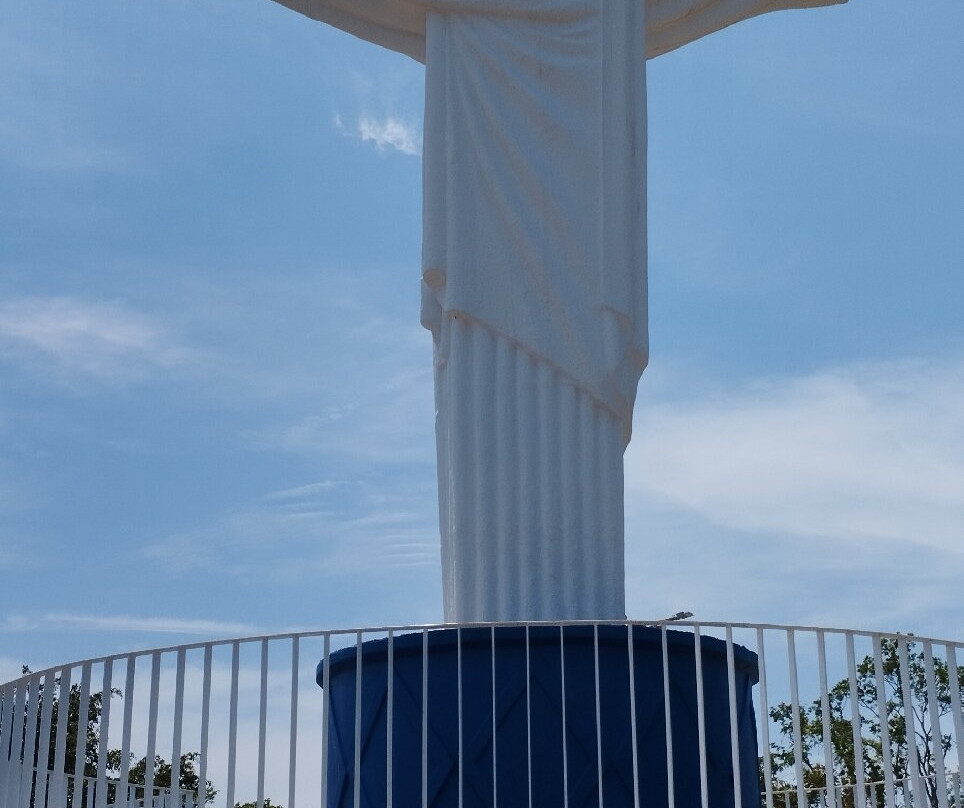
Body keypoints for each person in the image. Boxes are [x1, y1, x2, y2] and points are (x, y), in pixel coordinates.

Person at [271, 0, 847, 621]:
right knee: (489, 409)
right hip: (490, 263)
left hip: (573, 266)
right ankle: (508, 619)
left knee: (557, 427)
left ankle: (544, 618)